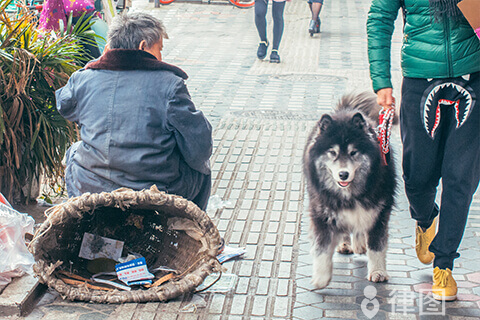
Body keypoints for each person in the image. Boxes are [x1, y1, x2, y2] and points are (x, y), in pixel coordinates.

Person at [367, 0, 480, 301]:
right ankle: (425, 218)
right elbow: (380, 17)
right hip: (420, 80)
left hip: (472, 75)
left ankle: (444, 265)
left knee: (461, 176)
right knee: (417, 176)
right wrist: (381, 81)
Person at [56, 13, 213, 211]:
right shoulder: (170, 84)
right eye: (159, 49)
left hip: (91, 187)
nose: (161, 56)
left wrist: (99, 62)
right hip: (153, 194)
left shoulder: (83, 78)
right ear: (142, 46)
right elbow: (200, 147)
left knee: (74, 152)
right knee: (201, 169)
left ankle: (82, 218)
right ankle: (191, 229)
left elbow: (64, 106)